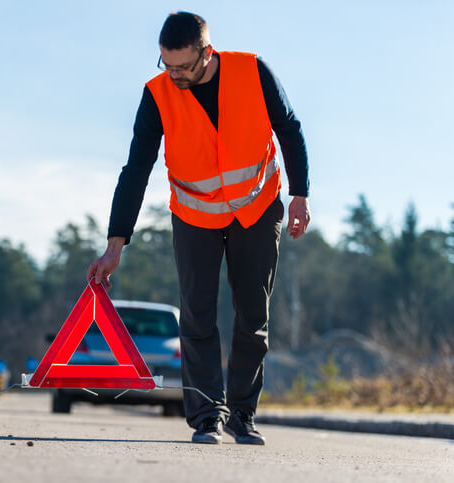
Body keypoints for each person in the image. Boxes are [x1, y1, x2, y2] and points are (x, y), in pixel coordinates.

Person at [87, 11, 310, 445]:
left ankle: (242, 416)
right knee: (197, 316)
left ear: (208, 53)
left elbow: (289, 127)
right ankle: (207, 417)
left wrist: (300, 193)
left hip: (256, 209)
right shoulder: (157, 95)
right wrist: (115, 245)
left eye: (184, 66)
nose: (175, 75)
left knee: (252, 316)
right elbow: (135, 170)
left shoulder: (252, 71)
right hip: (195, 217)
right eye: (166, 66)